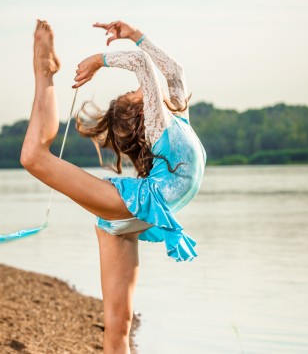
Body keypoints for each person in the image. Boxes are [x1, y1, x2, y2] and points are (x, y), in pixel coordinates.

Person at [21, 19, 206, 353]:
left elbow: (173, 71)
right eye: (136, 93)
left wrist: (135, 35)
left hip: (132, 217)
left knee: (119, 324)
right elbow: (142, 65)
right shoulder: (157, 126)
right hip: (134, 204)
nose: (145, 90)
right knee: (33, 157)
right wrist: (99, 60)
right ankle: (44, 73)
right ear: (141, 113)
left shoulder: (177, 116)